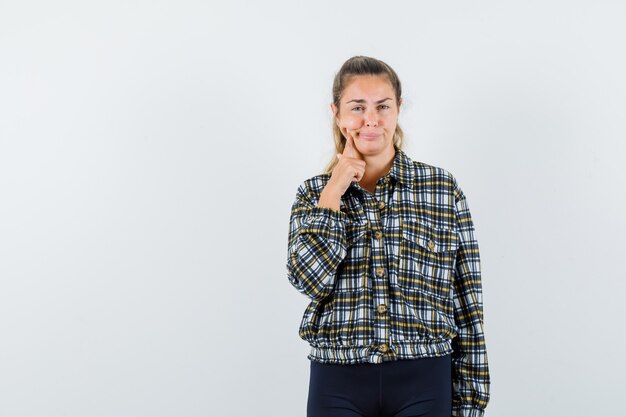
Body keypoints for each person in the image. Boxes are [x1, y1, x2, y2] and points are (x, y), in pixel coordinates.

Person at [286, 55, 491, 417]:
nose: (371, 120)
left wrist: (470, 399)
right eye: (357, 107)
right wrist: (334, 190)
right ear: (336, 112)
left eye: (383, 106)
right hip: (337, 380)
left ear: (398, 109)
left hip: (424, 378)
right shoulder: (314, 194)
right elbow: (308, 280)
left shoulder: (441, 189)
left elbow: (466, 299)